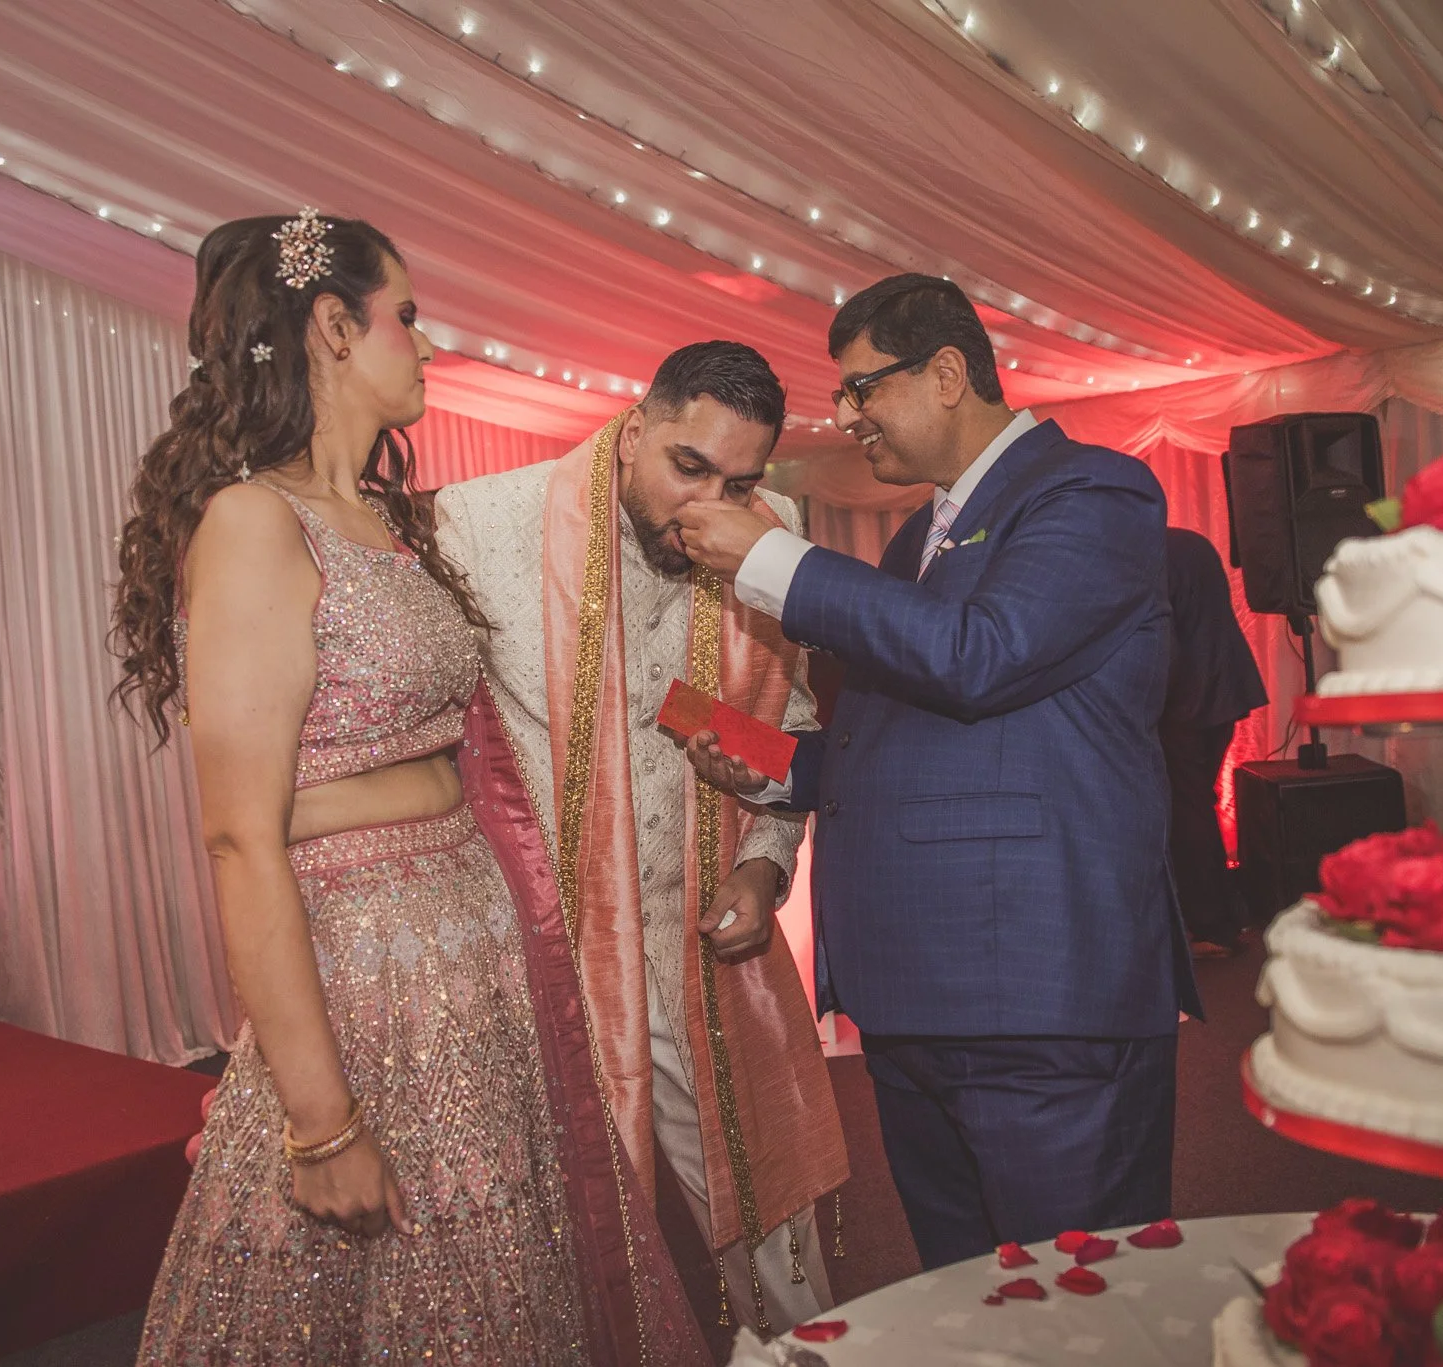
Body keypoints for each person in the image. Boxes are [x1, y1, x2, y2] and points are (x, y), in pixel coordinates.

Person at [112, 212, 705, 1362]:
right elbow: (241, 837)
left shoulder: (384, 521)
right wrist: (321, 1121)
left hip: (469, 957)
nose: (429, 344)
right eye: (408, 315)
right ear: (334, 327)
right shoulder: (252, 523)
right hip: (366, 968)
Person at [677, 273, 1199, 1271]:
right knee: (968, 1298)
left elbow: (980, 655)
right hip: (912, 996)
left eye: (861, 387)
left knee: (1086, 1298)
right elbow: (894, 737)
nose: (846, 415)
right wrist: (762, 762)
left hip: (1039, 994)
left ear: (948, 372)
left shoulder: (1092, 491)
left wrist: (778, 560)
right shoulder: (920, 532)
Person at [430, 340, 848, 1336]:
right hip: (541, 958)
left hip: (695, 938)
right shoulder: (480, 522)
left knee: (767, 1216)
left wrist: (764, 862)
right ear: (632, 432)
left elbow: (783, 730)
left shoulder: (769, 533)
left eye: (737, 482)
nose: (708, 507)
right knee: (548, 1239)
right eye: (687, 466)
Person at [1161, 526, 1267, 957]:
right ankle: (1221, 916)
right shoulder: (1191, 543)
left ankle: (1209, 925)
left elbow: (1164, 642)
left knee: (1186, 809)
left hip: (1186, 699)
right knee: (1197, 804)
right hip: (1223, 689)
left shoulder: (1148, 554)